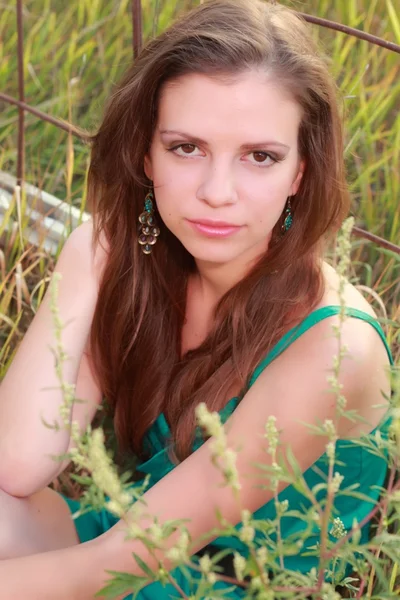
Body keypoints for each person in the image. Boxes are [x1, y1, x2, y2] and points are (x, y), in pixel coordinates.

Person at [0, 0, 393, 597]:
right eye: (186, 147)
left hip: (242, 585)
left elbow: (115, 566)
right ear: (144, 153)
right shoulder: (139, 266)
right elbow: (14, 465)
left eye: (260, 157)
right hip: (127, 540)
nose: (216, 192)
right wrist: (88, 252)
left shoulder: (336, 348)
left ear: (301, 174)